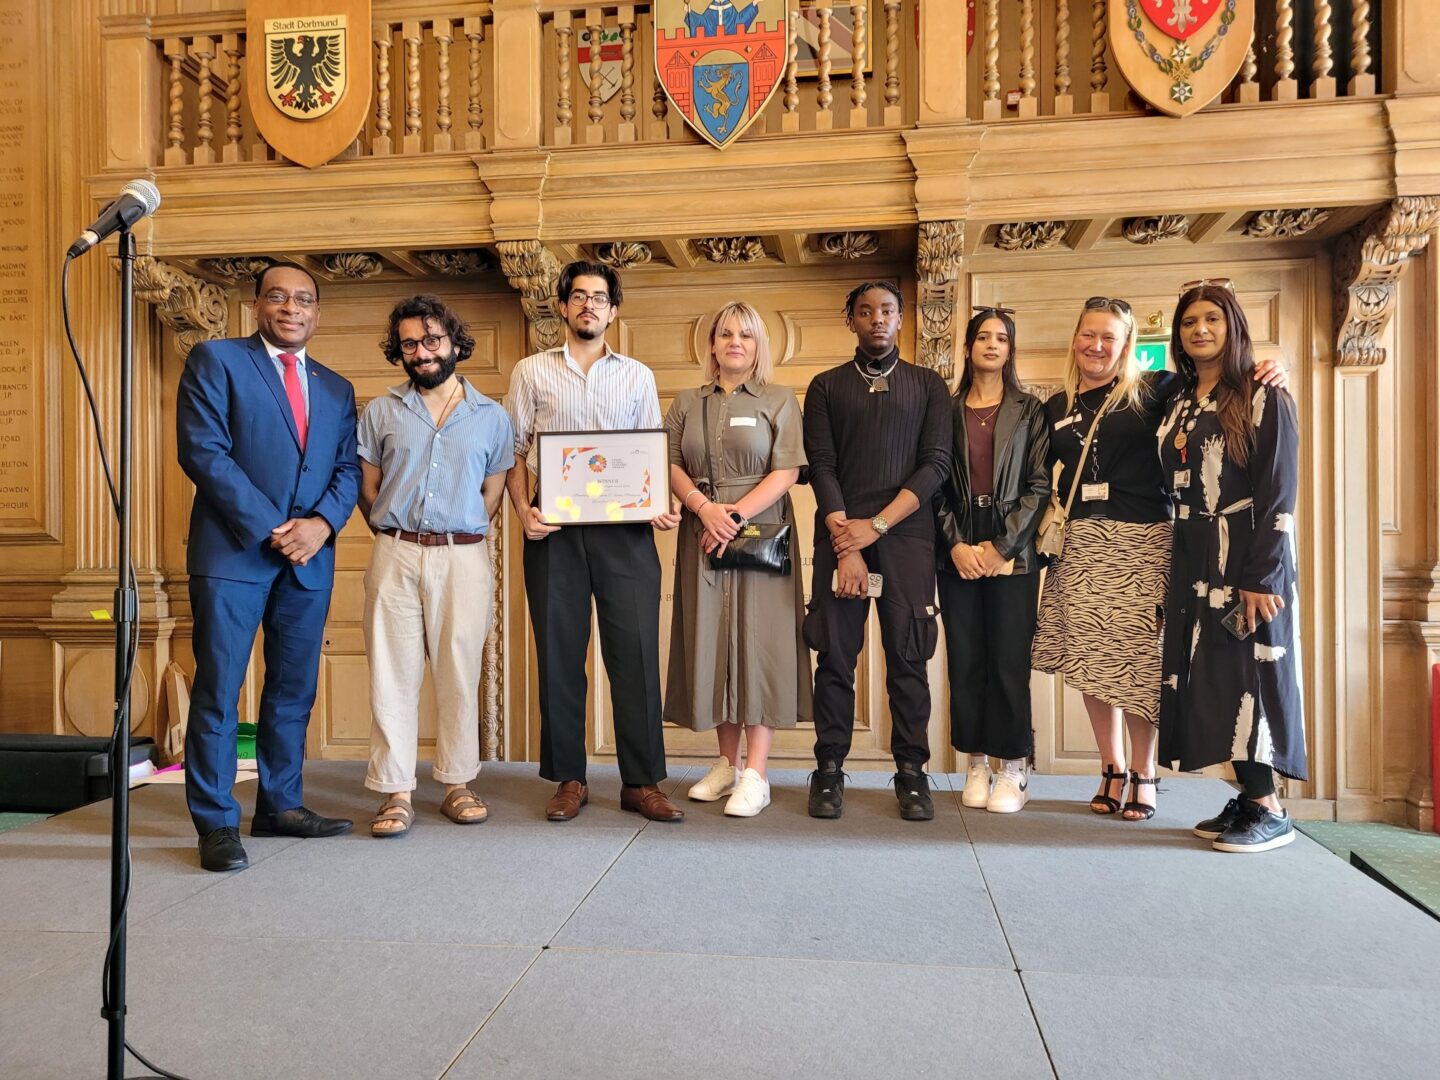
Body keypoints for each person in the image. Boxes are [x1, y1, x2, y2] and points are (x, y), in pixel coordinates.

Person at [1032, 297, 1286, 822]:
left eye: (1109, 337)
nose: (1096, 346)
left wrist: (1275, 368)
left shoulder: (1157, 390)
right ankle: (1111, 768)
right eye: (1088, 335)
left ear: (1127, 345)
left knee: (1140, 664)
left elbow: (1224, 380)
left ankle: (1145, 774)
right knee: (1090, 662)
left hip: (1145, 543)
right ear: (1074, 339)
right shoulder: (1054, 407)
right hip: (1081, 544)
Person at [176, 262, 360, 872]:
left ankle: (280, 804)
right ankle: (216, 822)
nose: (291, 308)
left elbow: (346, 471)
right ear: (257, 304)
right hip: (233, 553)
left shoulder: (335, 388)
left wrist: (322, 526)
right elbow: (204, 451)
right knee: (219, 691)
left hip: (310, 558)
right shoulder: (217, 360)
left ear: (315, 311)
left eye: (303, 299)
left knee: (293, 690)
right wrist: (273, 529)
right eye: (278, 297)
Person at [505, 261, 685, 823]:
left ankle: (642, 782)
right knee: (559, 655)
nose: (589, 305)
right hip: (554, 532)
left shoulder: (636, 375)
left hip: (627, 535)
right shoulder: (530, 372)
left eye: (599, 298)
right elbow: (511, 449)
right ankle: (569, 779)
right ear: (562, 307)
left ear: (612, 309)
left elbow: (646, 455)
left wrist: (658, 501)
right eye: (578, 296)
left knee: (634, 655)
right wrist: (522, 512)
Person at [357, 295, 514, 837]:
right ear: (398, 352)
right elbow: (368, 489)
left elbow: (492, 493)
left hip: (463, 554)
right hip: (395, 550)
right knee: (391, 673)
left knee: (458, 671)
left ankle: (456, 782)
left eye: (431, 341)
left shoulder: (492, 417)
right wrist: (401, 533)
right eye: (409, 345)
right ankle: (395, 792)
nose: (421, 352)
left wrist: (452, 530)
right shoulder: (380, 412)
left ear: (453, 343)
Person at [1157, 281, 1305, 852]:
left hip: (1248, 555)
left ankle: (1270, 809)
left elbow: (1280, 492)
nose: (1200, 329)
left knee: (1251, 676)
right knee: (1214, 679)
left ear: (1232, 325)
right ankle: (1247, 795)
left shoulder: (1264, 394)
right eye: (1189, 320)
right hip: (1195, 553)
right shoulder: (1180, 396)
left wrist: (1262, 576)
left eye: (1212, 319)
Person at [803, 281, 951, 821]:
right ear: (851, 321)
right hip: (841, 535)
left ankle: (912, 772)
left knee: (909, 657)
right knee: (835, 659)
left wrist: (880, 526)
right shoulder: (825, 387)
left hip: (907, 537)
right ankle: (829, 770)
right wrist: (848, 544)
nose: (877, 320)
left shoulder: (928, 385)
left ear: (901, 317)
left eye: (887, 310)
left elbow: (935, 465)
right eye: (865, 312)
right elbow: (822, 465)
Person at [664, 301, 810, 817]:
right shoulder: (686, 401)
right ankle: (725, 763)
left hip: (761, 529)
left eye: (746, 336)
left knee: (760, 644)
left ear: (758, 347)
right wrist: (706, 511)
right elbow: (671, 464)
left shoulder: (779, 399)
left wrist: (734, 517)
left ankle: (757, 773)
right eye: (725, 333)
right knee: (716, 642)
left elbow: (786, 469)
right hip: (702, 531)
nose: (734, 342)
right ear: (711, 344)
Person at [934, 307, 1050, 814]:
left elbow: (1040, 484)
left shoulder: (1030, 409)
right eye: (983, 336)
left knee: (1007, 660)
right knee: (966, 658)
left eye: (1002, 338)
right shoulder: (946, 408)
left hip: (1013, 549)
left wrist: (1000, 547)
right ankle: (976, 761)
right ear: (967, 347)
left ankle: (1014, 767)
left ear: (1010, 350)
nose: (992, 345)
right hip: (957, 543)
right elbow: (932, 481)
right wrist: (956, 544)